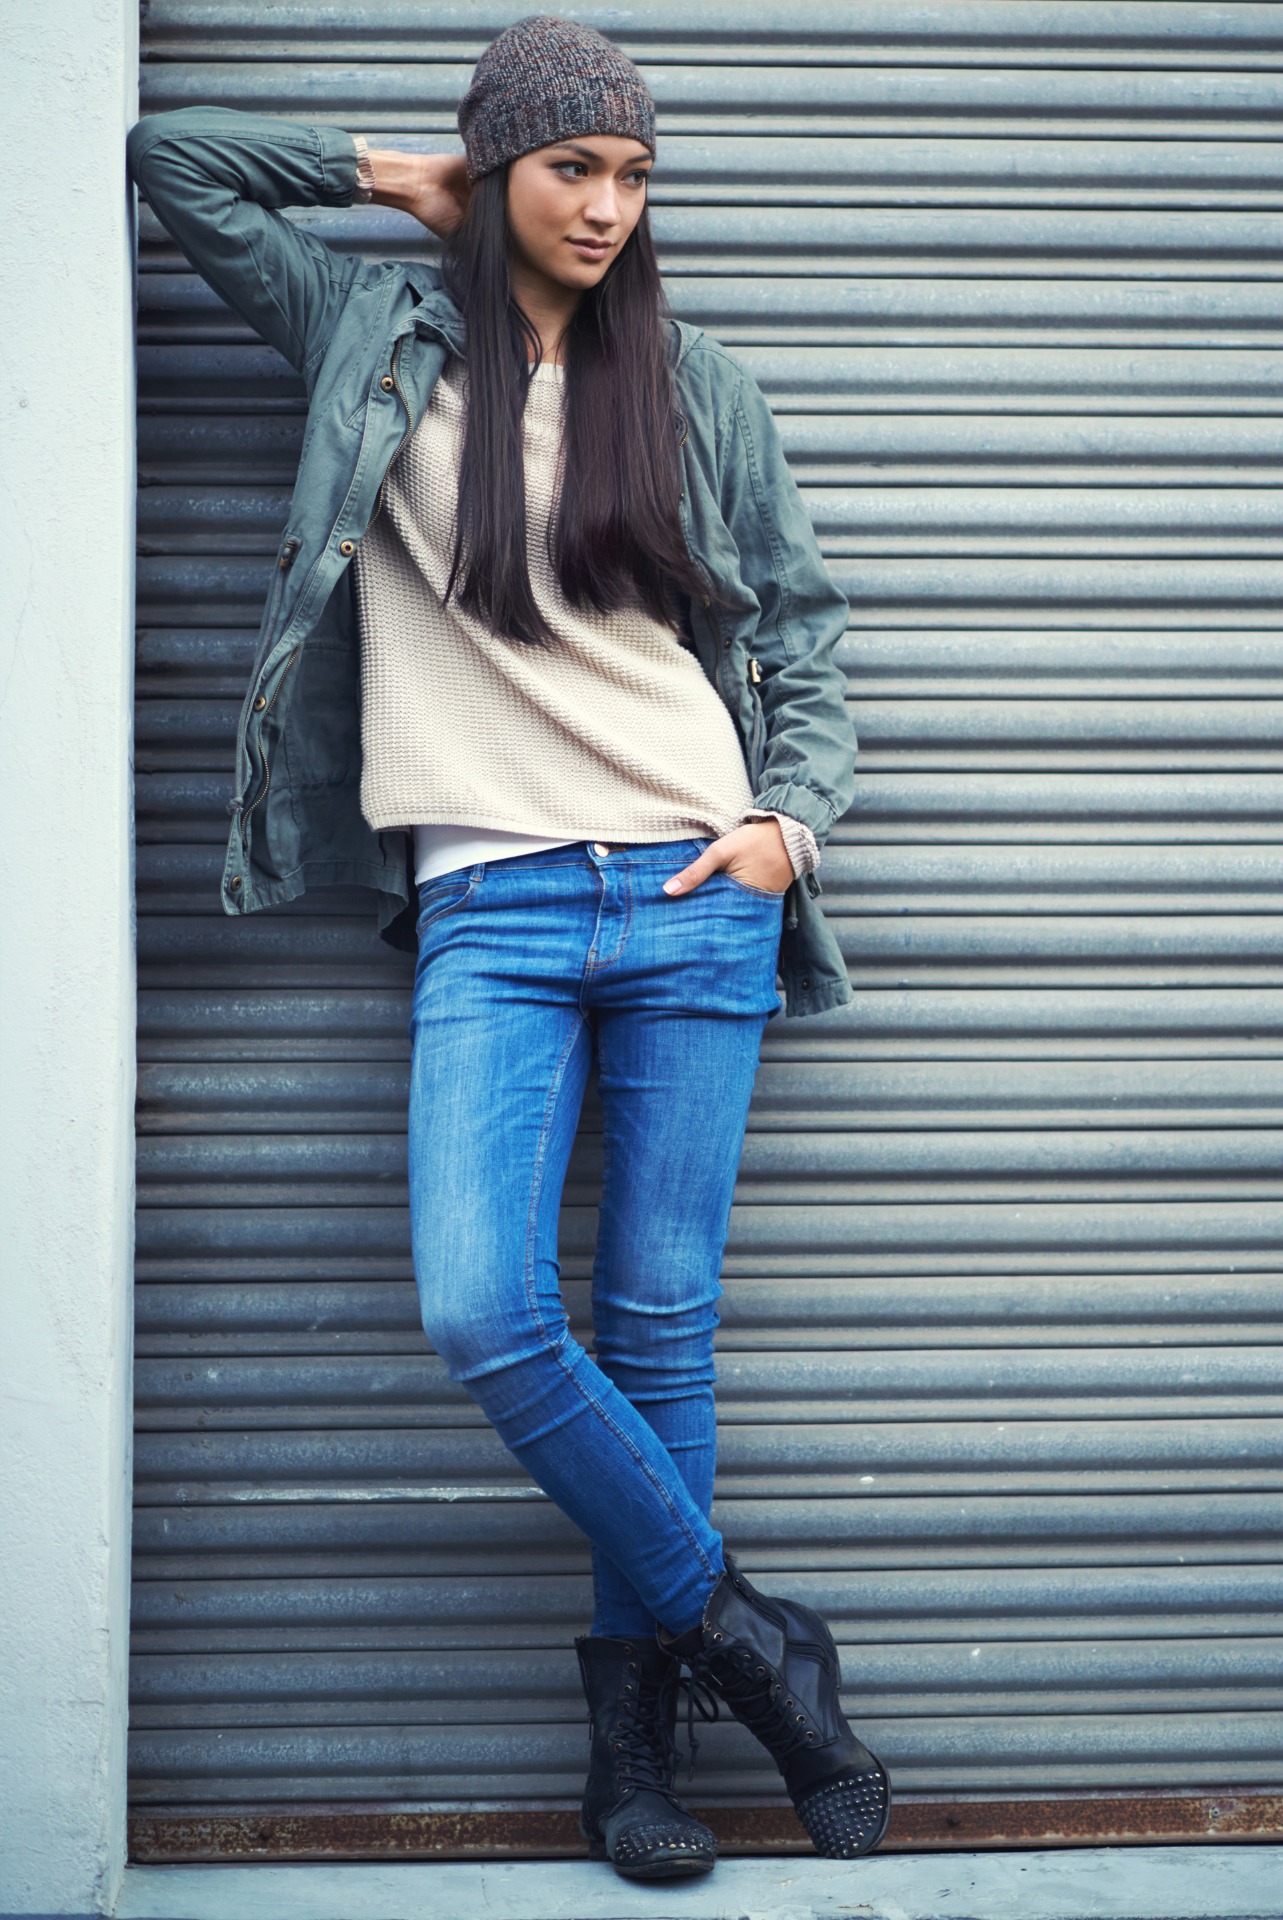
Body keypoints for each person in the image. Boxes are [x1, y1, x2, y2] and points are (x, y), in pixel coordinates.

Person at [126, 12, 889, 1884]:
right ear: (502, 168)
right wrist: (404, 178)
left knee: (660, 1327)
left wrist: (789, 826)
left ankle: (632, 1755)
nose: (608, 207)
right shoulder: (372, 334)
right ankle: (750, 1636)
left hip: (696, 893)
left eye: (633, 175)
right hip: (495, 900)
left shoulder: (693, 384)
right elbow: (173, 162)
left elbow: (800, 627)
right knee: (483, 1306)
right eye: (572, 168)